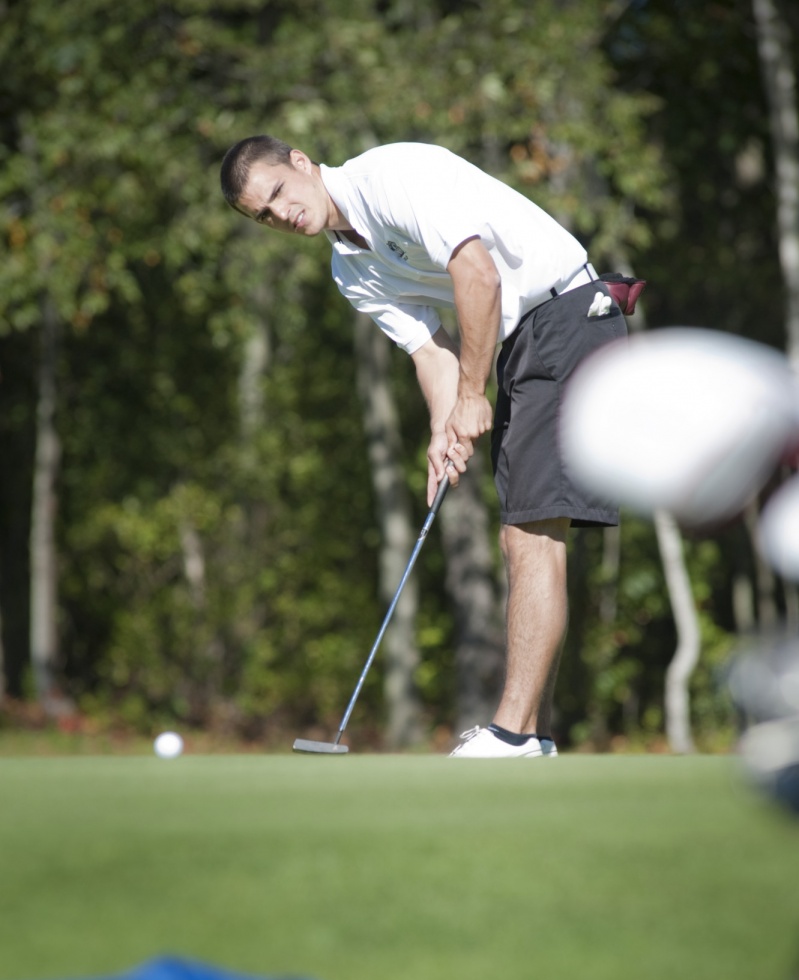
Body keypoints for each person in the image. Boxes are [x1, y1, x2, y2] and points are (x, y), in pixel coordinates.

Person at [220, 136, 629, 758]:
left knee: (531, 532)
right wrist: (444, 429)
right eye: (263, 215)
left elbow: (479, 275)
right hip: (524, 344)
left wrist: (473, 393)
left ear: (300, 161)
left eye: (277, 193)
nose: (280, 215)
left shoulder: (391, 176)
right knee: (526, 530)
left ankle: (514, 733)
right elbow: (428, 352)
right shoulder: (348, 269)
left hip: (567, 313)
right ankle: (535, 738)